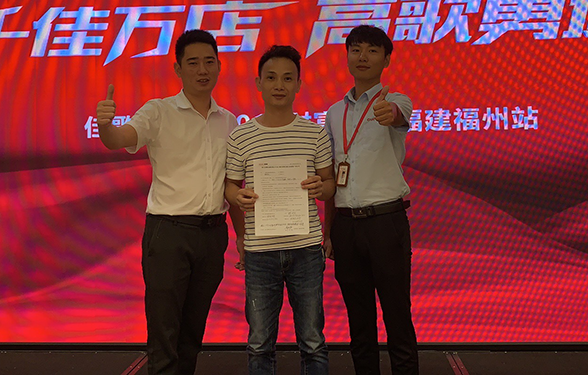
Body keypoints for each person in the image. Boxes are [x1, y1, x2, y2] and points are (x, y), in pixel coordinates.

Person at [95, 29, 239, 375]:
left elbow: (231, 184)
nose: (202, 70)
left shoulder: (229, 121)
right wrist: (105, 125)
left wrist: (244, 238)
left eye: (209, 62)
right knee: (164, 330)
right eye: (193, 63)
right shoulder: (158, 111)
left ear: (219, 66)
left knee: (192, 332)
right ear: (178, 69)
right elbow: (118, 139)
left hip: (212, 234)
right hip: (169, 233)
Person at [225, 45, 335, 375]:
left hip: (306, 248)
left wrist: (321, 188)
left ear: (299, 84)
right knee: (260, 344)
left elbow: (330, 185)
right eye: (271, 78)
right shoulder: (241, 136)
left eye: (288, 78)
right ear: (258, 83)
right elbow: (229, 187)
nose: (279, 85)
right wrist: (238, 196)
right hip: (260, 251)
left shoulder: (314, 134)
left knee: (313, 341)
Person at [323, 25, 419, 375]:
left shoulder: (397, 100)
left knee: (397, 316)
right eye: (356, 49)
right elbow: (332, 175)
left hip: (385, 223)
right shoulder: (334, 113)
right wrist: (328, 232)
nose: (362, 57)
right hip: (346, 226)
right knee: (359, 321)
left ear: (386, 59)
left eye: (372, 50)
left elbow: (397, 114)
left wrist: (388, 113)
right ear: (347, 56)